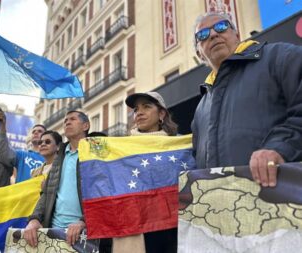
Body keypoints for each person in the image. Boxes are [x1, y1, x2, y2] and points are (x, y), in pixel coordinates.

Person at [191, 12, 302, 188]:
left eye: (221, 26)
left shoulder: (279, 56)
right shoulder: (201, 108)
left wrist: (281, 147)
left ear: (237, 35)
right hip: (226, 207)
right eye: (202, 35)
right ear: (200, 53)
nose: (213, 34)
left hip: (284, 200)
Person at [117, 91, 178, 253]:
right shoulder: (121, 149)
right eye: (136, 109)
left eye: (147, 107)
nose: (139, 112)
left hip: (172, 227)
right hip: (135, 228)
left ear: (161, 114)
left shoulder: (178, 146)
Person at [24, 111, 90, 247]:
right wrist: (35, 219)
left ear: (85, 126)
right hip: (54, 231)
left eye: (72, 119)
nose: (67, 122)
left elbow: (102, 193)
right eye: (65, 120)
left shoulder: (95, 153)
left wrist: (84, 221)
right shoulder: (60, 157)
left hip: (83, 234)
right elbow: (46, 193)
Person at [0, 109, 46, 183]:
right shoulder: (22, 155)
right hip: (22, 193)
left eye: (40, 131)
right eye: (33, 131)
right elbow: (3, 153)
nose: (36, 133)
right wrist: (2, 125)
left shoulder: (50, 157)